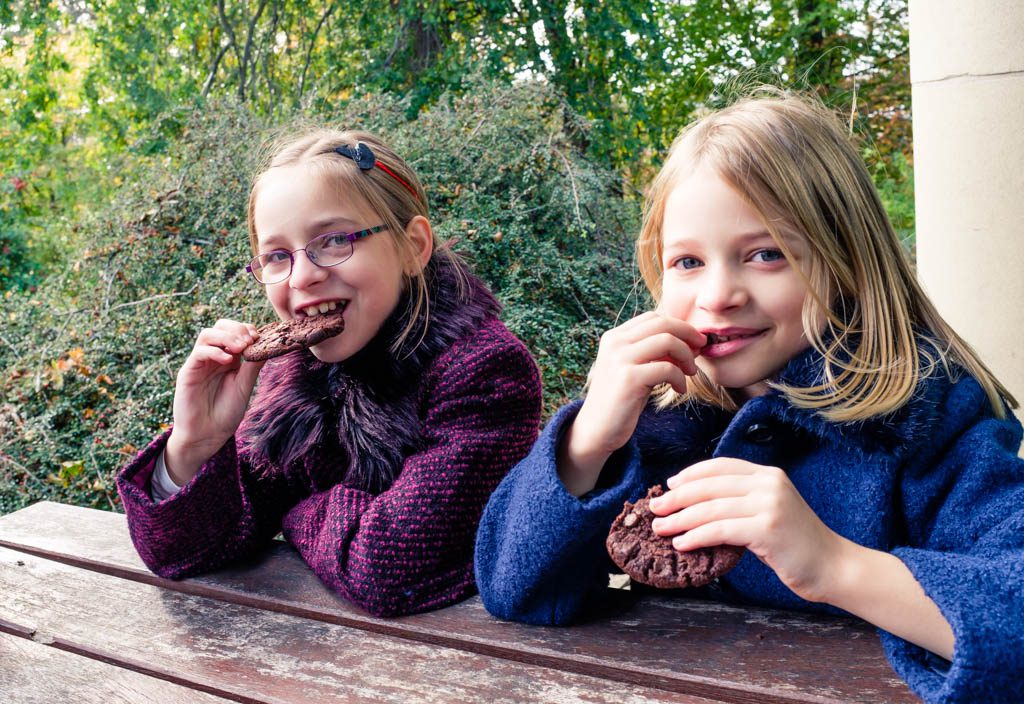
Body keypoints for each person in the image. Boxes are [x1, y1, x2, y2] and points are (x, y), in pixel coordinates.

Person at [474, 91, 1024, 702]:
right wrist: (587, 444)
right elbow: (513, 589)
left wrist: (835, 566)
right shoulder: (659, 419)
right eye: (687, 262)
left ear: (847, 263)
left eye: (766, 255)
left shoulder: (926, 418)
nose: (718, 294)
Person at [116, 129, 542, 617]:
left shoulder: (483, 371)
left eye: (335, 240)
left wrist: (299, 512)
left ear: (412, 247)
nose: (301, 277)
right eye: (277, 255)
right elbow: (181, 554)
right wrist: (195, 443)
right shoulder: (292, 382)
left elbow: (388, 569)